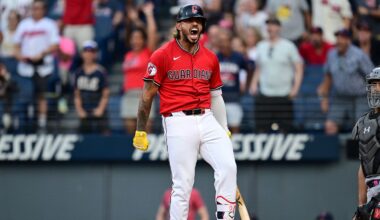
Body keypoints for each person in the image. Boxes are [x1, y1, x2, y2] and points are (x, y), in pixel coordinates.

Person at [133, 4, 237, 220]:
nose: (195, 25)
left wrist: (224, 127)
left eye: (199, 21)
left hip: (207, 118)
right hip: (177, 120)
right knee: (182, 186)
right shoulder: (162, 55)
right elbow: (146, 96)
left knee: (228, 166)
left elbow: (216, 96)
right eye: (191, 21)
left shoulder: (210, 57)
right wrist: (140, 130)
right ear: (179, 26)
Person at [249, 17, 303, 132]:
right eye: (268, 24)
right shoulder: (260, 46)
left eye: (273, 25)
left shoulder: (289, 46)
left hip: (283, 93)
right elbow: (259, 67)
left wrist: (295, 88)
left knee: (285, 128)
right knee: (262, 127)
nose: (270, 27)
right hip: (265, 92)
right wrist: (253, 84)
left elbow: (298, 68)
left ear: (279, 28)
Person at [13, 0, 60, 132]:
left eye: (39, 8)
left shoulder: (49, 24)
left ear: (44, 9)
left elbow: (55, 45)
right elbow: (16, 45)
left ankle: (41, 123)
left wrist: (42, 53)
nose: (36, 11)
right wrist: (19, 55)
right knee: (27, 94)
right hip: (26, 66)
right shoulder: (24, 24)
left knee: (42, 95)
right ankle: (26, 121)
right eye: (34, 8)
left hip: (43, 66)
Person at [318, 28, 374, 135]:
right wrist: (324, 99)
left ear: (349, 40)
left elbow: (372, 77)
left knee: (361, 128)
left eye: (342, 38)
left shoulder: (359, 55)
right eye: (338, 37)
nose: (339, 40)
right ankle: (331, 151)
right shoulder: (331, 55)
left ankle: (360, 151)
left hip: (360, 97)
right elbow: (328, 78)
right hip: (340, 97)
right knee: (329, 126)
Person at [121, 2, 157, 135]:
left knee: (146, 129)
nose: (136, 41)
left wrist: (148, 15)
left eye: (138, 38)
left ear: (143, 40)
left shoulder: (148, 52)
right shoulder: (127, 55)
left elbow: (151, 32)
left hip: (144, 93)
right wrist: (134, 19)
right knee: (130, 129)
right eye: (133, 38)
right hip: (128, 94)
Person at [352, 67, 380, 220]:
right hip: (372, 194)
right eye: (373, 84)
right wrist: (361, 206)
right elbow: (363, 165)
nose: (376, 89)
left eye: (379, 84)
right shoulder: (363, 122)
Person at [73, 40, 110, 134]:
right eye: (86, 51)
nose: (88, 54)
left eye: (91, 51)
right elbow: (77, 95)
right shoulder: (78, 72)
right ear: (82, 54)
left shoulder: (101, 72)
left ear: (95, 54)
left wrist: (100, 109)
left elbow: (105, 94)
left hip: (98, 112)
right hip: (84, 112)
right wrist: (80, 110)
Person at [217, 28, 248, 133]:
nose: (223, 44)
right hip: (218, 99)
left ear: (230, 42)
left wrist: (246, 85)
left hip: (234, 98)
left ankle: (234, 148)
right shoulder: (214, 57)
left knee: (235, 126)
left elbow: (250, 69)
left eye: (225, 41)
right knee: (218, 128)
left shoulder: (238, 57)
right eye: (220, 41)